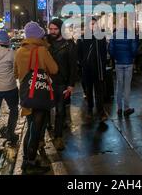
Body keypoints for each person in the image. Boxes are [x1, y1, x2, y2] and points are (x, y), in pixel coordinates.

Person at [14, 22, 58, 174]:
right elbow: (54, 69)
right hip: (40, 93)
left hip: (26, 94)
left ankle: (27, 158)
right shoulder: (42, 50)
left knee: (30, 125)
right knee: (37, 129)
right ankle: (31, 162)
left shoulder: (19, 51)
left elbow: (15, 73)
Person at [46, 18, 78, 150]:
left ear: (60, 29)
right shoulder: (45, 43)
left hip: (61, 84)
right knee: (45, 110)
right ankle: (46, 133)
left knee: (60, 111)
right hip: (46, 82)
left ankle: (58, 137)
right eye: (51, 29)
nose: (52, 32)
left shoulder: (69, 45)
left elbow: (73, 67)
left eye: (55, 29)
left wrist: (71, 84)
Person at [78, 18, 108, 122]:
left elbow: (104, 53)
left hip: (98, 69)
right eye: (91, 24)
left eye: (95, 24)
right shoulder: (82, 38)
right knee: (89, 91)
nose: (93, 26)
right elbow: (79, 54)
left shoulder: (101, 37)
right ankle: (90, 109)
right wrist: (83, 63)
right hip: (87, 70)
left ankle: (101, 111)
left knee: (99, 91)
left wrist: (103, 65)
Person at [109, 17, 138, 117]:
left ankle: (119, 108)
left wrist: (115, 58)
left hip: (118, 63)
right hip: (129, 62)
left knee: (119, 85)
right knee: (127, 86)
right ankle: (126, 108)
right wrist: (132, 57)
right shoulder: (131, 35)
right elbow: (134, 49)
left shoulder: (114, 35)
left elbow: (111, 50)